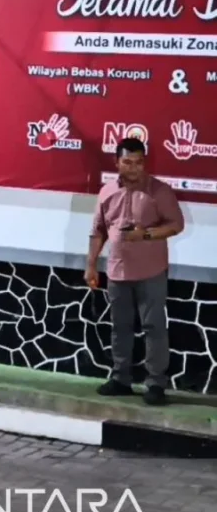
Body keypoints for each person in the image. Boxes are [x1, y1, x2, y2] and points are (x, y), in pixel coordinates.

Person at [86, 137, 184, 406]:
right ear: (117, 162)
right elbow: (98, 231)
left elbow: (176, 224)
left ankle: (155, 384)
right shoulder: (106, 192)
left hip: (151, 272)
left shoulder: (159, 191)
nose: (133, 168)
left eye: (139, 163)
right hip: (117, 272)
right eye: (127, 162)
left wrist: (147, 234)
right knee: (120, 328)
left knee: (154, 327)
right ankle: (121, 379)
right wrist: (91, 265)